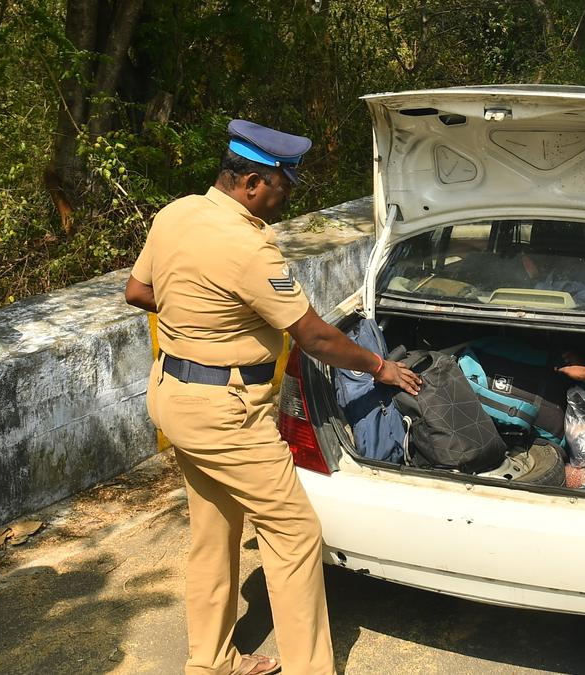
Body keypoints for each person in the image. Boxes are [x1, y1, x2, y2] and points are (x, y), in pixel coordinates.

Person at [124, 119, 421, 675]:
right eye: (286, 186)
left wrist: (201, 322)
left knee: (213, 531)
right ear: (254, 183)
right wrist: (379, 366)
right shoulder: (249, 248)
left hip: (172, 395)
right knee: (294, 532)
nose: (287, 197)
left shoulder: (176, 214)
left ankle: (209, 661)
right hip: (228, 412)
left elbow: (138, 290)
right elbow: (313, 335)